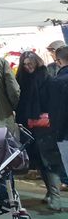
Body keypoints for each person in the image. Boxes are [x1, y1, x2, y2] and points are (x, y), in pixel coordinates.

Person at [16, 51, 63, 211]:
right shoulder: (21, 80)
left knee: (49, 161)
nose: (28, 67)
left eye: (30, 64)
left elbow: (53, 103)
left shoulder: (46, 79)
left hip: (45, 126)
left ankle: (56, 197)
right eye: (25, 65)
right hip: (28, 127)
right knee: (39, 162)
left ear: (37, 62)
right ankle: (50, 192)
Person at [49, 46, 68, 185]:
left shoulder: (57, 82)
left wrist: (56, 134)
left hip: (65, 133)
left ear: (59, 61)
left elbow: (56, 112)